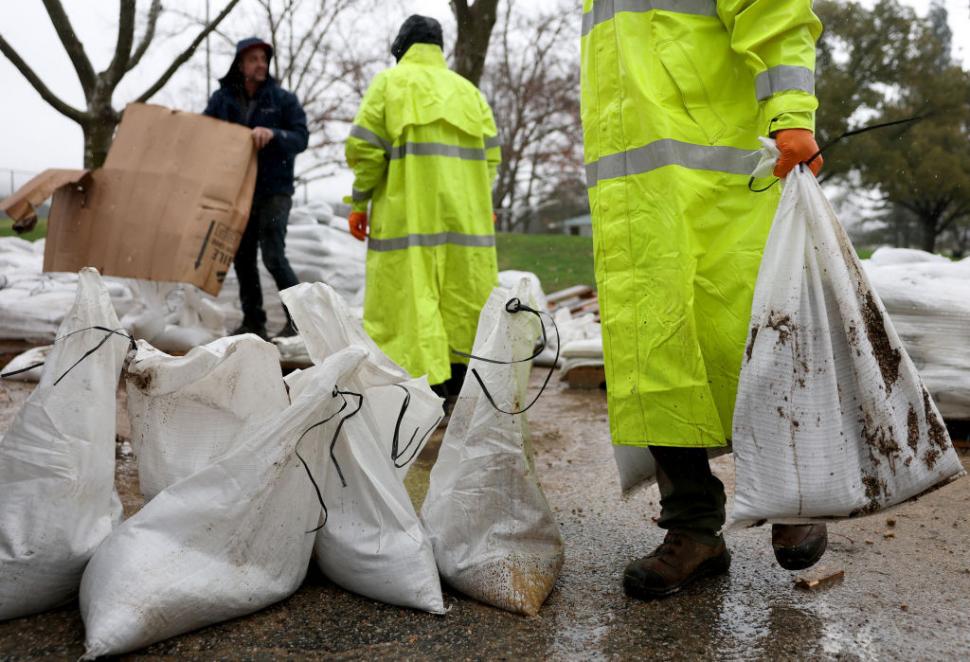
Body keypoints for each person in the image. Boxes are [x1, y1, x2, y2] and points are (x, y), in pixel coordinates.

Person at [579, 1, 828, 598]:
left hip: (722, 191)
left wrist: (791, 113)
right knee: (658, 364)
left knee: (743, 339)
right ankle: (693, 530)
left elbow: (778, 13)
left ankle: (791, 491)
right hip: (636, 205)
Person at [345, 15, 501, 397]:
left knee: (411, 305)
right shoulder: (469, 94)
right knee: (463, 301)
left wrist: (360, 203)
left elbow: (366, 150)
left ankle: (422, 391)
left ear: (402, 47)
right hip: (464, 222)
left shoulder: (389, 84)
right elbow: (491, 158)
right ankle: (463, 387)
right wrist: (478, 198)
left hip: (407, 220)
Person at [204, 37, 309, 339]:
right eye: (254, 59)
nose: (261, 64)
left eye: (264, 59)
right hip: (239, 192)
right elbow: (203, 133)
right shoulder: (222, 100)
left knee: (273, 255)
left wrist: (274, 134)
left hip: (274, 189)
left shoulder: (282, 100)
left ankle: (300, 321)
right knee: (243, 255)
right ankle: (254, 322)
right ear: (240, 64)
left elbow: (301, 138)